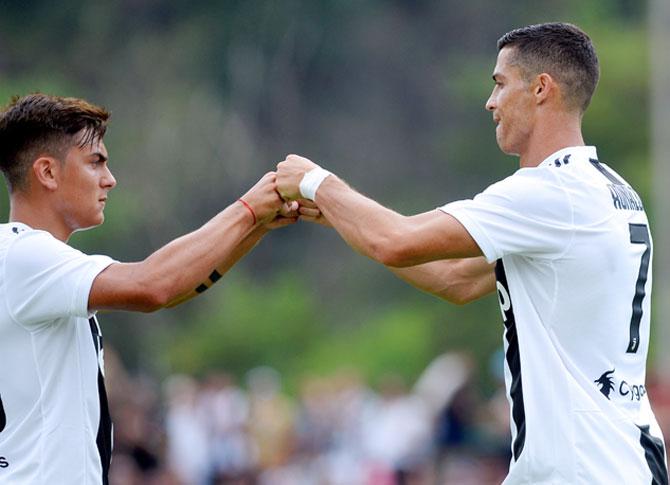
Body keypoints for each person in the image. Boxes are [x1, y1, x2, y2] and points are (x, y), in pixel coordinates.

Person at [276, 22, 669, 484]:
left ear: (541, 89)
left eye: (500, 84)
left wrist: (314, 180)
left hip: (582, 469)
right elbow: (455, 280)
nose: (491, 102)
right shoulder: (612, 190)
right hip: (620, 460)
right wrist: (338, 214)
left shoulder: (549, 192)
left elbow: (396, 241)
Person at [0, 93, 297, 484]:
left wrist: (253, 227)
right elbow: (153, 286)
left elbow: (171, 291)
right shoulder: (24, 254)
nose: (110, 179)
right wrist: (250, 208)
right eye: (96, 162)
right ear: (48, 173)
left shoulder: (30, 262)